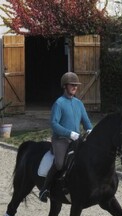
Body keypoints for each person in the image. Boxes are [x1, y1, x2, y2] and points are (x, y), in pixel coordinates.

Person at [39, 72, 93, 202]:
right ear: (65, 86)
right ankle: (45, 189)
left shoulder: (79, 103)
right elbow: (54, 124)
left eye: (76, 85)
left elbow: (86, 121)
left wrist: (90, 130)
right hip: (61, 140)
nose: (75, 87)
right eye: (72, 85)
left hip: (77, 139)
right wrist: (69, 133)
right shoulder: (59, 103)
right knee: (59, 163)